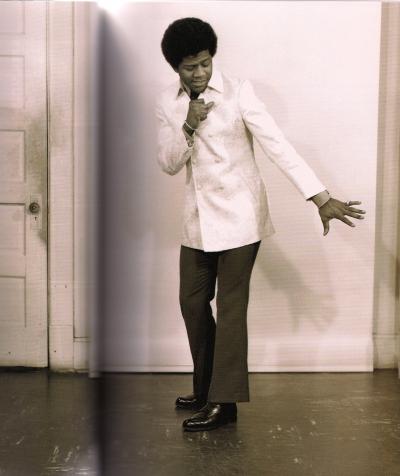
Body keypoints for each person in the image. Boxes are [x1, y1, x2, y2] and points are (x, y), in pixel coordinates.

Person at [155, 17, 366, 432]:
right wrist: (188, 124)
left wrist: (320, 198)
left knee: (231, 309)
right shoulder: (167, 101)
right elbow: (167, 163)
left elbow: (277, 146)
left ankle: (224, 402)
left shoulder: (239, 92)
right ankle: (205, 387)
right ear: (175, 67)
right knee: (192, 303)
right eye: (190, 67)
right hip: (197, 221)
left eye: (205, 63)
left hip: (241, 218)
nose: (199, 73)